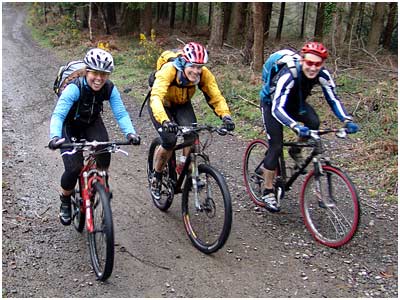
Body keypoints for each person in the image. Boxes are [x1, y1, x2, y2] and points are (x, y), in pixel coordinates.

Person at [259, 42, 359, 212]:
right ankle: (267, 190)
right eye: (309, 63)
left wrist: (347, 120)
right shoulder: (289, 74)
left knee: (313, 123)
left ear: (322, 65)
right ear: (302, 60)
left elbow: (333, 99)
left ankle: (296, 151)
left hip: (296, 103)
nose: (313, 68)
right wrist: (295, 125)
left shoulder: (323, 75)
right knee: (276, 147)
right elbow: (277, 108)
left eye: (317, 64)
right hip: (272, 105)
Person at [48, 48, 140, 225]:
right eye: (95, 73)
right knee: (74, 168)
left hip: (91, 122)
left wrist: (130, 133)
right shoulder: (75, 88)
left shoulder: (109, 88)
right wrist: (54, 137)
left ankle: (100, 183)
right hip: (70, 126)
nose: (99, 78)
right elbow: (58, 115)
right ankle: (65, 201)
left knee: (104, 151)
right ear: (87, 71)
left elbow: (120, 113)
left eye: (104, 74)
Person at [147, 42, 235, 200]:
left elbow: (215, 96)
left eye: (199, 67)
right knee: (169, 140)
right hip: (162, 105)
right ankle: (157, 176)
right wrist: (165, 121)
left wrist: (225, 116)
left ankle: (184, 167)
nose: (196, 71)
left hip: (182, 104)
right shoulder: (169, 70)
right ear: (184, 62)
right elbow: (156, 97)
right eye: (192, 66)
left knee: (192, 136)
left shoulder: (204, 74)